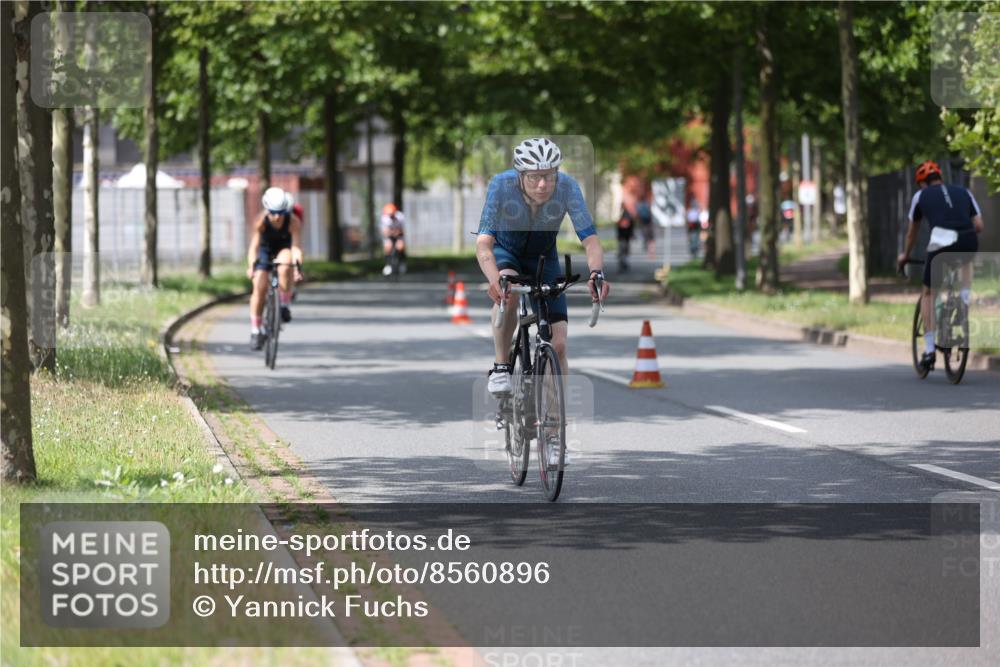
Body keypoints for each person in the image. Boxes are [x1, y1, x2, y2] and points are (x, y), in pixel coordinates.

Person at [476, 137, 610, 409]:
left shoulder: (568, 188)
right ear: (520, 175)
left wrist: (597, 272)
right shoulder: (501, 185)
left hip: (543, 258)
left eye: (549, 176)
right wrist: (494, 280)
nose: (543, 184)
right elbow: (483, 244)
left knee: (558, 344)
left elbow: (591, 240)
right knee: (509, 290)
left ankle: (553, 436)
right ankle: (501, 366)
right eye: (535, 177)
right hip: (506, 251)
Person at [897, 160, 983, 372]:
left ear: (922, 184)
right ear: (940, 178)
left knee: (928, 293)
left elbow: (912, 233)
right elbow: (979, 225)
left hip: (941, 243)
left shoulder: (921, 196)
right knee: (966, 259)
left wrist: (904, 256)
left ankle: (928, 351)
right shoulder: (964, 191)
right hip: (968, 239)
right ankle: (963, 301)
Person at [246, 187, 304, 351]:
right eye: (273, 212)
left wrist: (298, 267)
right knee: (259, 287)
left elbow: (296, 248)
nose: (277, 217)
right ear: (267, 209)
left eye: (280, 212)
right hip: (265, 250)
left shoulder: (293, 221)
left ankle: (284, 304)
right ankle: (256, 330)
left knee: (286, 264)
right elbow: (253, 248)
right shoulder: (260, 221)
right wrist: (251, 266)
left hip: (284, 249)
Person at [381, 203, 406, 276]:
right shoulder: (384, 219)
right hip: (390, 235)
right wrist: (393, 233)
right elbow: (385, 232)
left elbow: (402, 231)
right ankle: (387, 265)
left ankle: (402, 263)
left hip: (399, 235)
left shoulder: (400, 217)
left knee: (400, 247)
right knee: (387, 247)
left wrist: (396, 233)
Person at [616, 202, 635, 272]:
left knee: (623, 250)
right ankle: (624, 263)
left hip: (624, 236)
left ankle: (624, 263)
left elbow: (630, 225)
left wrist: (631, 234)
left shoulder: (624, 215)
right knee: (624, 250)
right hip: (624, 236)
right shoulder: (621, 214)